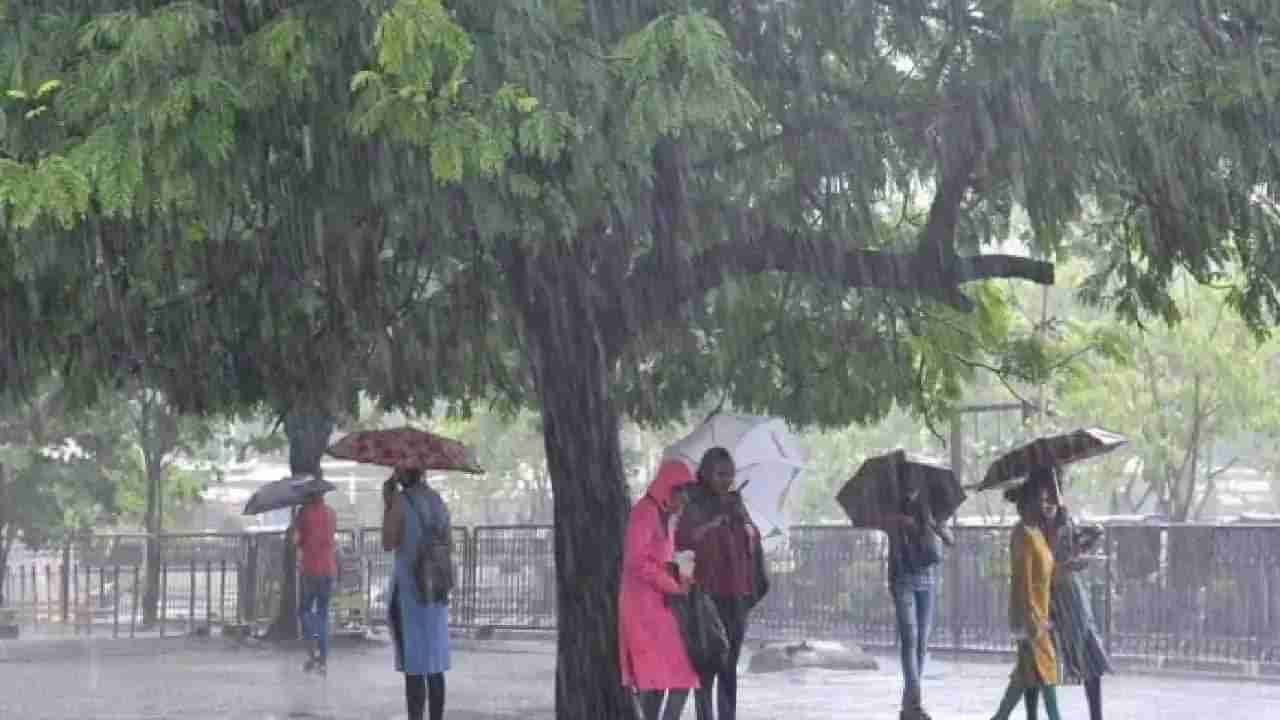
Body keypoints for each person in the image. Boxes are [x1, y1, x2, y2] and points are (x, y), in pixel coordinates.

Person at [675, 447, 769, 720]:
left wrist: (746, 526)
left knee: (729, 666)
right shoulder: (693, 502)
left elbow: (754, 539)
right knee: (706, 665)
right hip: (707, 595)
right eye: (720, 474)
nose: (726, 479)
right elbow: (683, 542)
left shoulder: (736, 502)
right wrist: (713, 524)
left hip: (737, 593)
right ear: (705, 473)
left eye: (730, 474)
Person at [1024, 467, 1111, 720]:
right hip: (1050, 598)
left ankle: (1096, 716)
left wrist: (1086, 541)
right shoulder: (1035, 525)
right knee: (1037, 662)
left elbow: (1069, 547)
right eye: (1053, 484)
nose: (1056, 490)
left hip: (1072, 594)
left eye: (1059, 484)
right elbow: (1040, 566)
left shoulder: (1062, 515)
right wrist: (1064, 565)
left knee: (1091, 658)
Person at [619, 460, 700, 720]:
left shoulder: (663, 516)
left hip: (660, 608)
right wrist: (673, 584)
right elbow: (637, 560)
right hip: (643, 610)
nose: (685, 501)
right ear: (670, 489)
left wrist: (680, 572)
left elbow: (655, 559)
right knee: (656, 681)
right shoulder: (645, 512)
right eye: (682, 494)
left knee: (677, 677)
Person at [880, 471, 954, 720]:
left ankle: (908, 708)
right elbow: (889, 538)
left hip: (927, 581)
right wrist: (898, 523)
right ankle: (915, 705)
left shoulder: (929, 507)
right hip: (902, 580)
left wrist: (931, 523)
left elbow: (949, 540)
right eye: (907, 481)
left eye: (915, 482)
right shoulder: (890, 510)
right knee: (910, 641)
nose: (911, 485)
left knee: (921, 644)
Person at [990, 472, 1063, 720]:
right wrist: (1034, 620)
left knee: (1027, 676)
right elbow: (1023, 582)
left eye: (1047, 500)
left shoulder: (1037, 532)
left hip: (1039, 615)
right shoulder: (1022, 535)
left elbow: (1046, 573)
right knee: (1046, 669)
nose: (1045, 504)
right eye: (1040, 500)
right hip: (1029, 618)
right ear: (1028, 503)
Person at [383, 468, 452, 720]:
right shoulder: (438, 500)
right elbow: (449, 544)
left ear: (403, 472)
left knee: (414, 664)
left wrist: (388, 505)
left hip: (409, 593)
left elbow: (388, 542)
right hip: (435, 589)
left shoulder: (401, 501)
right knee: (434, 663)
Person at [294, 482, 337, 673]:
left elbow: (298, 541)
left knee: (304, 611)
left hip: (310, 570)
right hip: (328, 569)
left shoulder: (303, 514)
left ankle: (312, 653)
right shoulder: (331, 513)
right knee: (323, 613)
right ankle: (323, 659)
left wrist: (296, 525)